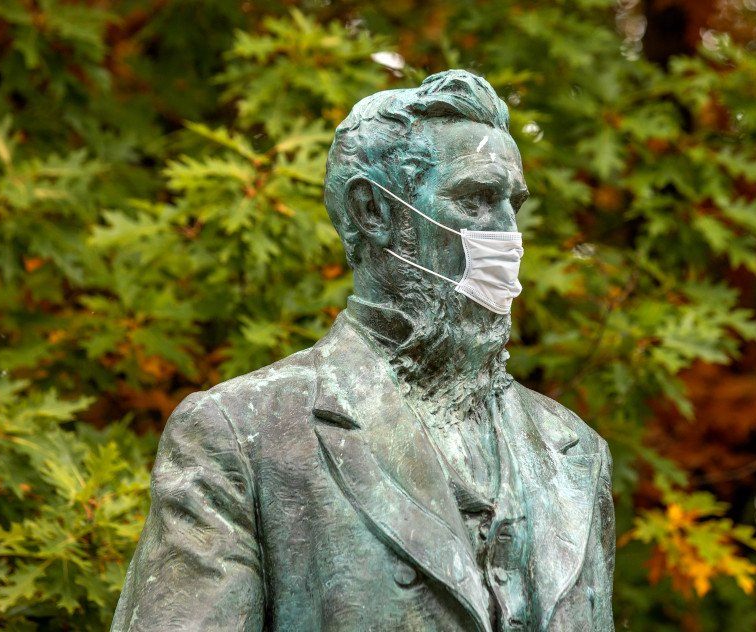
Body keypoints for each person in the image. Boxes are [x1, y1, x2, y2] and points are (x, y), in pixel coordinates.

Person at [112, 69, 614, 632]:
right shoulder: (242, 434)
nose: (507, 235)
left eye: (511, 206)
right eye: (474, 199)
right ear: (373, 211)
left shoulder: (573, 455)